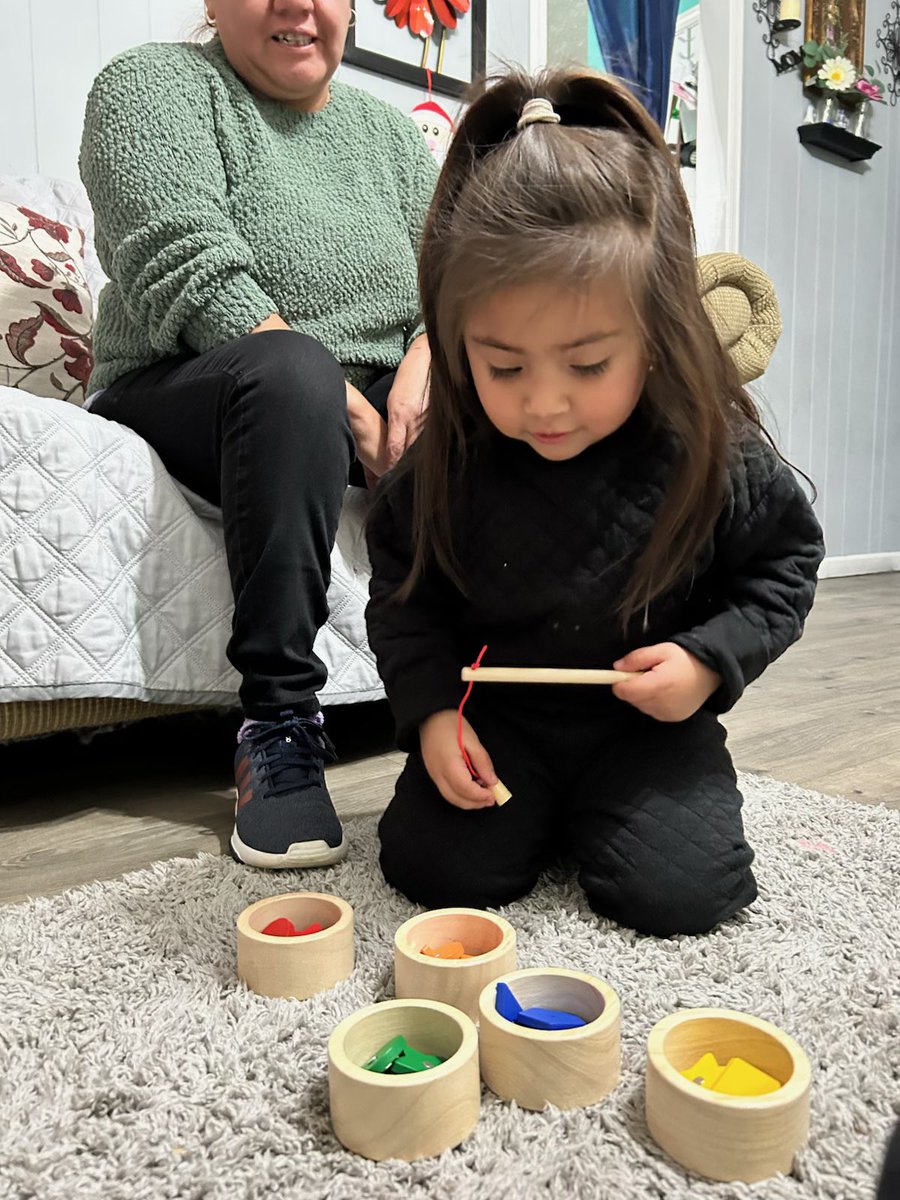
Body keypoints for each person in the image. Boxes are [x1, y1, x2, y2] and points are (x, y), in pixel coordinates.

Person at [365, 69, 826, 938]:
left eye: (586, 366)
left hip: (647, 731)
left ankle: (596, 820)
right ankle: (542, 818)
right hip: (497, 721)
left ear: (656, 335)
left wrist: (705, 661)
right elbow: (402, 597)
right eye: (503, 366)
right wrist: (430, 716)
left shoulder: (705, 449)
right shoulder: (448, 460)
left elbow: (784, 566)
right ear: (457, 341)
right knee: (436, 873)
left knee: (683, 895)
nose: (544, 404)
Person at [79, 0, 439, 870]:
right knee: (295, 375)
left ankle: (481, 701)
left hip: (361, 382)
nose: (296, 5)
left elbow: (455, 278)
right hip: (194, 377)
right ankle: (278, 724)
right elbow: (180, 257)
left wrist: (428, 363)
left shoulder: (391, 136)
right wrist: (347, 408)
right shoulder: (152, 84)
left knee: (493, 402)